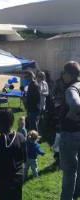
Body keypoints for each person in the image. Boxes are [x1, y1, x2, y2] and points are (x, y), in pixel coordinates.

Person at [0, 110, 27, 200]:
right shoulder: (21, 137)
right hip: (18, 177)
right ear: (12, 122)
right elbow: (25, 157)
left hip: (3, 180)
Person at [59, 61, 80, 200]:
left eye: (64, 72)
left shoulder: (71, 89)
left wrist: (69, 116)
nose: (62, 75)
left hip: (70, 134)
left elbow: (76, 104)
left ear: (70, 74)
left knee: (69, 172)